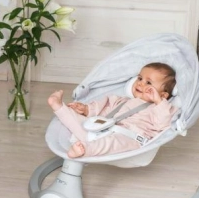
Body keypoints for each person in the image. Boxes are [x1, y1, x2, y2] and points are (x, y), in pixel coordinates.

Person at [48, 62, 177, 158]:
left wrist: (159, 101)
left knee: (110, 143)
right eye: (139, 78)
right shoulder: (123, 100)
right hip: (103, 129)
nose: (140, 83)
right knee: (81, 123)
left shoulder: (160, 108)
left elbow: (163, 124)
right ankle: (59, 107)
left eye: (148, 83)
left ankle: (84, 150)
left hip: (130, 137)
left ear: (163, 95)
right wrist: (86, 109)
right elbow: (105, 108)